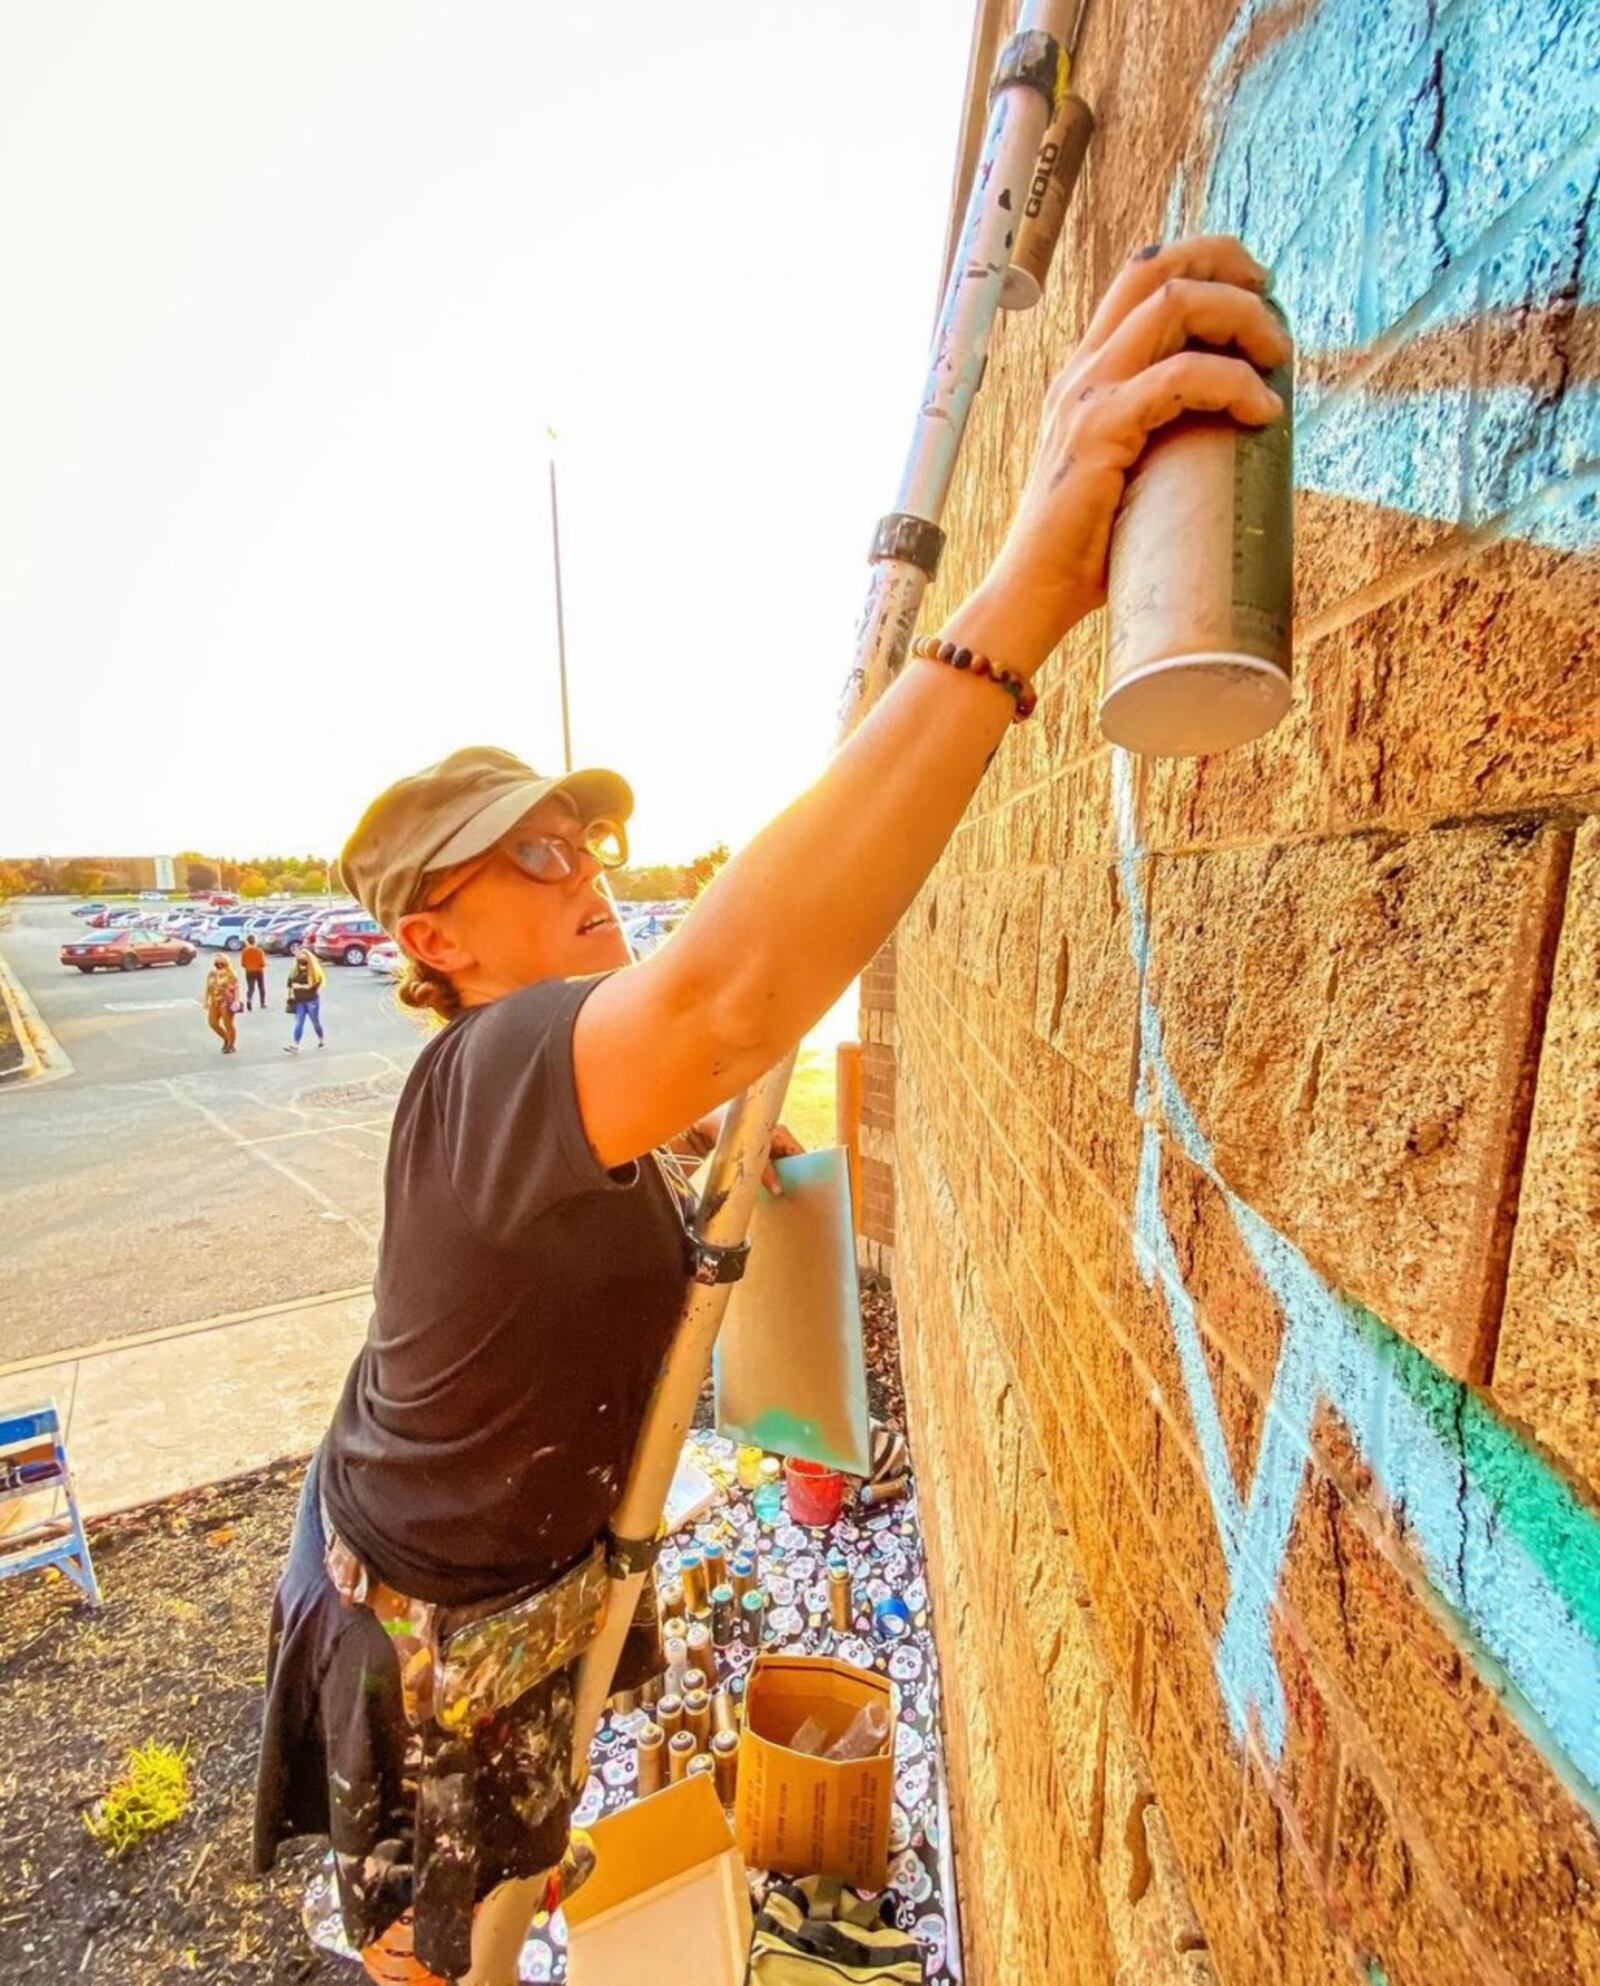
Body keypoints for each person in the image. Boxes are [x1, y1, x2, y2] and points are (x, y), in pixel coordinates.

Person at [252, 238, 1289, 1984]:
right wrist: (1028, 584)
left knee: (504, 1900)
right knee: (439, 1950)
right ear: (430, 937)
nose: (585, 869)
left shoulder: (558, 1084)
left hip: (479, 1574)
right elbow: (739, 989)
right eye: (531, 855)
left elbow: (699, 1061)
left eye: (586, 839)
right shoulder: (491, 1070)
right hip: (426, 1635)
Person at [283, 946, 326, 1051]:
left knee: (315, 1021)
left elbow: (311, 985)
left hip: (311, 1000)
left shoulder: (313, 971)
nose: (301, 961)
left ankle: (321, 1040)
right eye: (299, 958)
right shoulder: (294, 971)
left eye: (303, 958)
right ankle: (295, 1044)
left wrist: (299, 986)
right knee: (299, 1022)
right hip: (299, 1001)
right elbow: (290, 985)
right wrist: (290, 996)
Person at [203, 954, 240, 1054]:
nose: (219, 964)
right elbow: (208, 988)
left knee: (228, 1024)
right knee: (212, 1023)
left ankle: (231, 1045)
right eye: (216, 962)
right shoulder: (212, 974)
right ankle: (226, 1038)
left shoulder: (231, 975)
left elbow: (236, 989)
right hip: (214, 1001)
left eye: (221, 962)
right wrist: (205, 1000)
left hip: (226, 1002)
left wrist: (236, 1001)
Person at [241, 933, 268, 1011]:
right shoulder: (259, 950)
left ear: (247, 941)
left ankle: (249, 1000)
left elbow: (243, 963)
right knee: (261, 987)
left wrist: (248, 967)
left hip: (249, 971)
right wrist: (263, 965)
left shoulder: (245, 951)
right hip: (259, 971)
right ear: (255, 941)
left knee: (250, 987)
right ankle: (262, 1003)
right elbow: (262, 962)